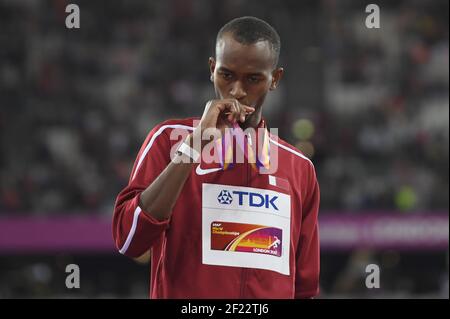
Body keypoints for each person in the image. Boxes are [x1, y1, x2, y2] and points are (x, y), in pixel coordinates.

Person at [112, 16, 320, 298]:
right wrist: (195, 146)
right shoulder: (168, 139)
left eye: (254, 78)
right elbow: (129, 239)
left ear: (275, 79)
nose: (237, 90)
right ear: (212, 69)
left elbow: (304, 289)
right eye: (227, 75)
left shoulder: (298, 167)